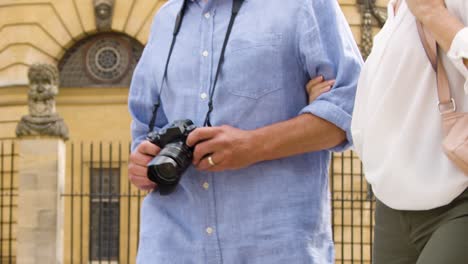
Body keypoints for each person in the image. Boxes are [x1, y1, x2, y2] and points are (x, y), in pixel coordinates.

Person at [127, 0, 362, 263]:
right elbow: (144, 130)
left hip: (273, 248)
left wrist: (253, 145)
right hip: (170, 246)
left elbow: (351, 110)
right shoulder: (165, 19)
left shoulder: (302, 5)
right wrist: (141, 161)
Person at [308, 0, 468, 263]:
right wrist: (326, 98)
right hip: (392, 207)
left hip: (457, 200)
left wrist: (434, 15)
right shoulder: (399, 8)